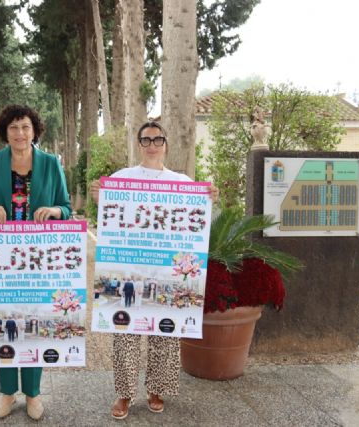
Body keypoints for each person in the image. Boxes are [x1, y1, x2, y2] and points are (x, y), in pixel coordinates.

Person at [90, 121, 218, 420]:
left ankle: (156, 389)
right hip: (129, 271)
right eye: (146, 139)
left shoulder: (182, 182)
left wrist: (209, 197)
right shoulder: (122, 178)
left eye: (158, 139)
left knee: (165, 334)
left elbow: (197, 220)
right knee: (125, 334)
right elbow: (109, 215)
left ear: (166, 143)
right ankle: (124, 393)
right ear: (139, 144)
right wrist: (100, 197)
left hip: (167, 275)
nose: (152, 144)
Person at [0, 104, 71, 421]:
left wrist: (55, 212)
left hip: (39, 259)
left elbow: (66, 208)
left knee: (35, 323)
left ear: (34, 130)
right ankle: (7, 391)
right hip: (1, 261)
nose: (20, 133)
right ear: (5, 132)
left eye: (25, 126)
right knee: (3, 323)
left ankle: (33, 393)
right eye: (13, 127)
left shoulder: (51, 164)